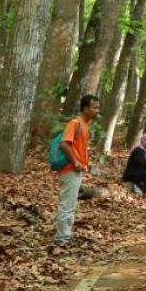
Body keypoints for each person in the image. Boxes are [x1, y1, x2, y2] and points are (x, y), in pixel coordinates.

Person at [54, 94, 100, 245]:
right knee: (67, 204)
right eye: (94, 108)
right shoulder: (75, 123)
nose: (97, 111)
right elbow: (64, 144)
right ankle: (62, 238)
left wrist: (86, 163)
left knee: (71, 203)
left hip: (77, 170)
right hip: (69, 169)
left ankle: (65, 235)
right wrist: (75, 163)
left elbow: (78, 148)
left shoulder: (85, 126)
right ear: (85, 108)